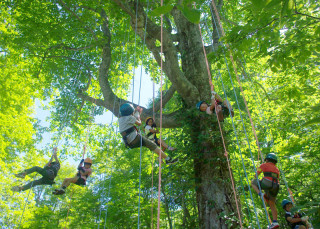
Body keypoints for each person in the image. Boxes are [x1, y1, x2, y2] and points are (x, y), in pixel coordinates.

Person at [251, 153, 280, 229]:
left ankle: (260, 194)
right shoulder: (277, 169)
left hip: (267, 183)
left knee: (253, 182)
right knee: (272, 203)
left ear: (267, 159)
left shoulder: (264, 165)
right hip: (276, 185)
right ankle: (275, 222)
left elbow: (256, 175)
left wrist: (258, 169)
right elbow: (277, 178)